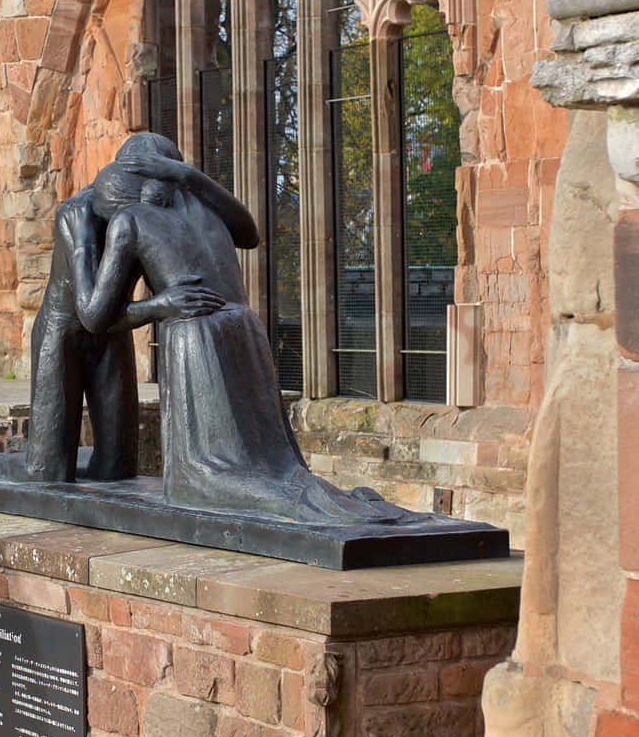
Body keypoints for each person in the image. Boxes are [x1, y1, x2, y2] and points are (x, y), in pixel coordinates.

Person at [79, 160, 420, 525]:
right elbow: (250, 234)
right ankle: (318, 501)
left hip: (197, 335)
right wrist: (189, 175)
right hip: (245, 329)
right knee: (272, 466)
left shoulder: (129, 220)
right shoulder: (207, 206)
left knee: (206, 477)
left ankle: (312, 506)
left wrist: (159, 304)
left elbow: (95, 318)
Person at [0, 133, 254, 482]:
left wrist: (186, 175)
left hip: (115, 329)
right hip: (66, 334)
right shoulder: (78, 215)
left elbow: (247, 235)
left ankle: (60, 451)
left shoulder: (164, 199)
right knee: (46, 474)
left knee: (115, 469)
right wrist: (163, 305)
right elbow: (89, 314)